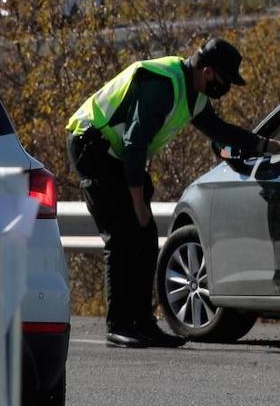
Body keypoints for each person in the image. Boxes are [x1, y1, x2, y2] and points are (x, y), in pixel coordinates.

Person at [66, 38, 280, 348]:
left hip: (119, 156)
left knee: (145, 239)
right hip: (91, 146)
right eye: (224, 80)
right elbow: (134, 145)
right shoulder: (163, 86)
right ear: (208, 72)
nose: (225, 88)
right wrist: (138, 201)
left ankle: (143, 323)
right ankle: (119, 325)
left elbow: (222, 132)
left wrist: (269, 146)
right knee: (122, 236)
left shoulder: (193, 96)